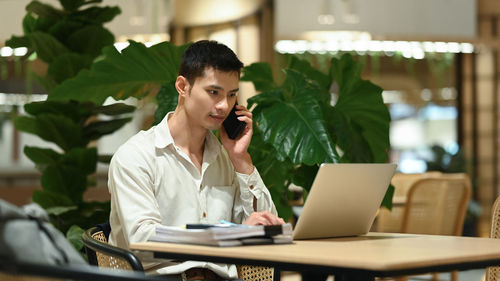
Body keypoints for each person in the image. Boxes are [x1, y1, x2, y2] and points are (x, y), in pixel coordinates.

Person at [107, 40, 284, 281]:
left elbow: (268, 232)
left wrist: (241, 160)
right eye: (214, 92)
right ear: (182, 86)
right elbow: (143, 240)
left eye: (232, 95)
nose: (223, 106)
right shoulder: (136, 156)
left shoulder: (224, 158)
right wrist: (232, 235)